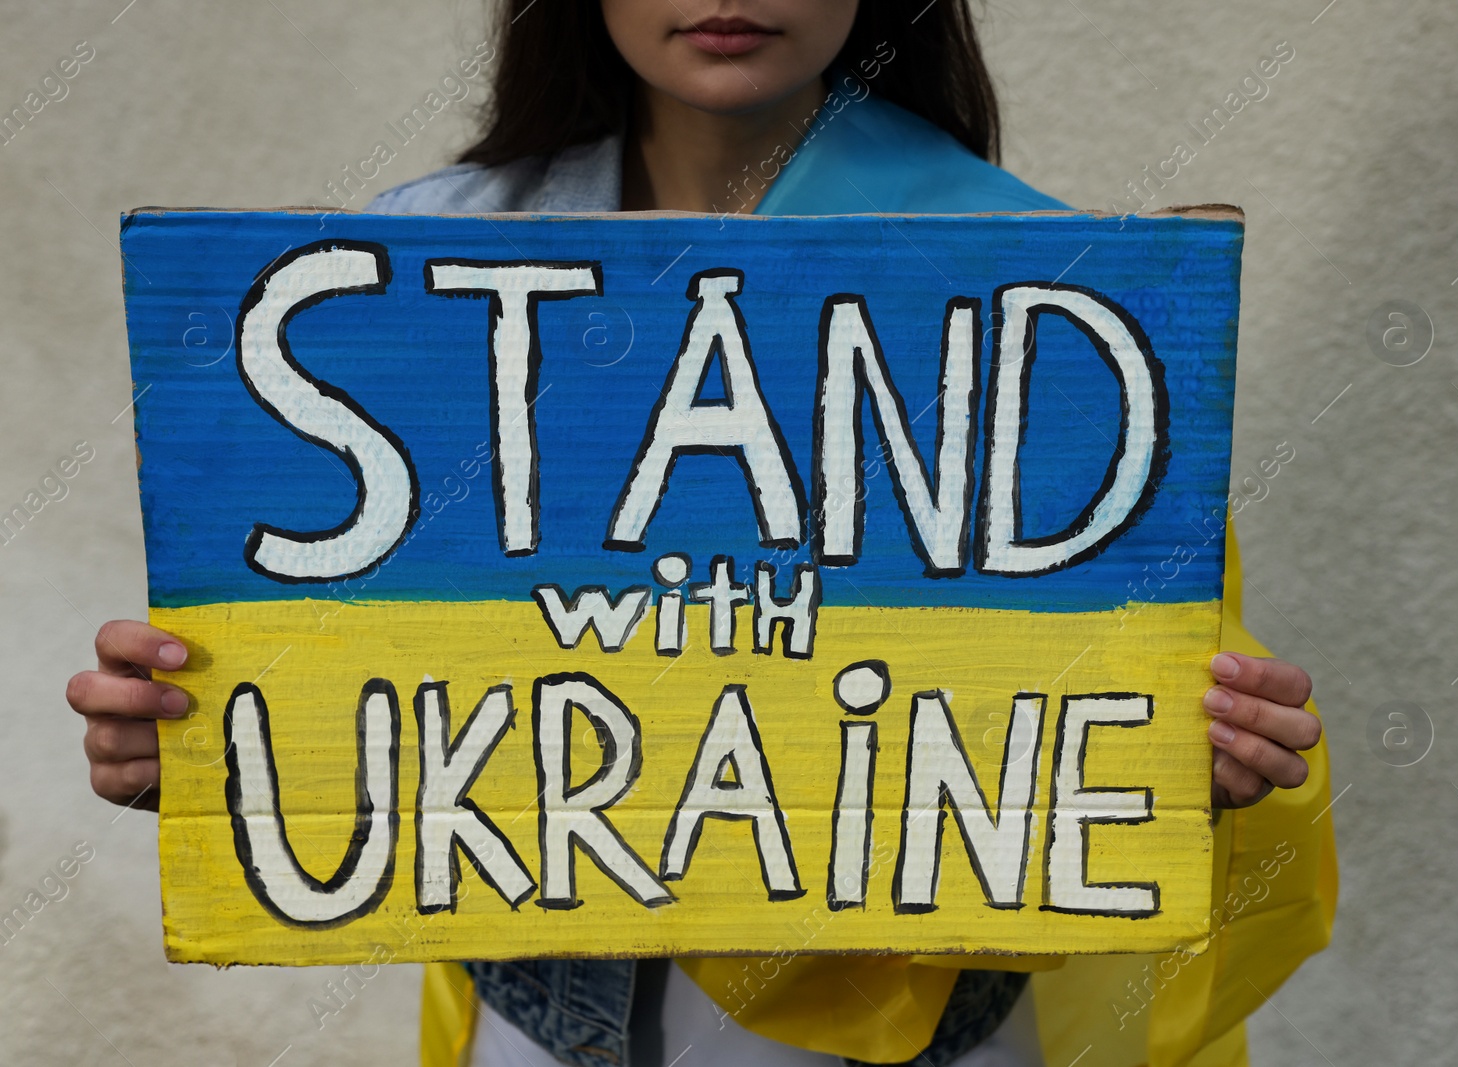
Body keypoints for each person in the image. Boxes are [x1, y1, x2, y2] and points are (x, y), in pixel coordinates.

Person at [68, 3, 1335, 1065]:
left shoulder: (1046, 296)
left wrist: (1203, 761)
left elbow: (1107, 711)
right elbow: (361, 700)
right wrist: (201, 748)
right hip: (541, 1020)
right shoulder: (410, 272)